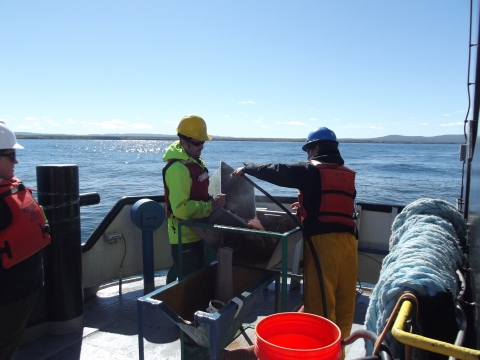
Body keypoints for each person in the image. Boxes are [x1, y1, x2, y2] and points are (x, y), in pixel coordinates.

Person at [234, 127, 358, 341]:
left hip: (324, 245)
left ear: (316, 148)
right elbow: (334, 203)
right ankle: (340, 352)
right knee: (344, 303)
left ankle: (321, 351)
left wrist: (248, 168)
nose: (307, 156)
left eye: (308, 151)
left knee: (320, 304)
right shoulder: (346, 174)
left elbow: (279, 170)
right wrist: (304, 205)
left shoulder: (312, 170)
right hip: (349, 244)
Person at [0, 121, 50, 360]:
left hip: (22, 291)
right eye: (11, 156)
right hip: (10, 295)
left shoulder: (10, 189)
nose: (16, 162)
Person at [162, 114, 226, 279]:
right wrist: (211, 207)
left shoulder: (194, 161)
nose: (202, 146)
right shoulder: (178, 169)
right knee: (191, 284)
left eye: (203, 142)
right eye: (198, 143)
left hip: (199, 231)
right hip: (185, 238)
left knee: (200, 279)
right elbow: (180, 209)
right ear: (184, 142)